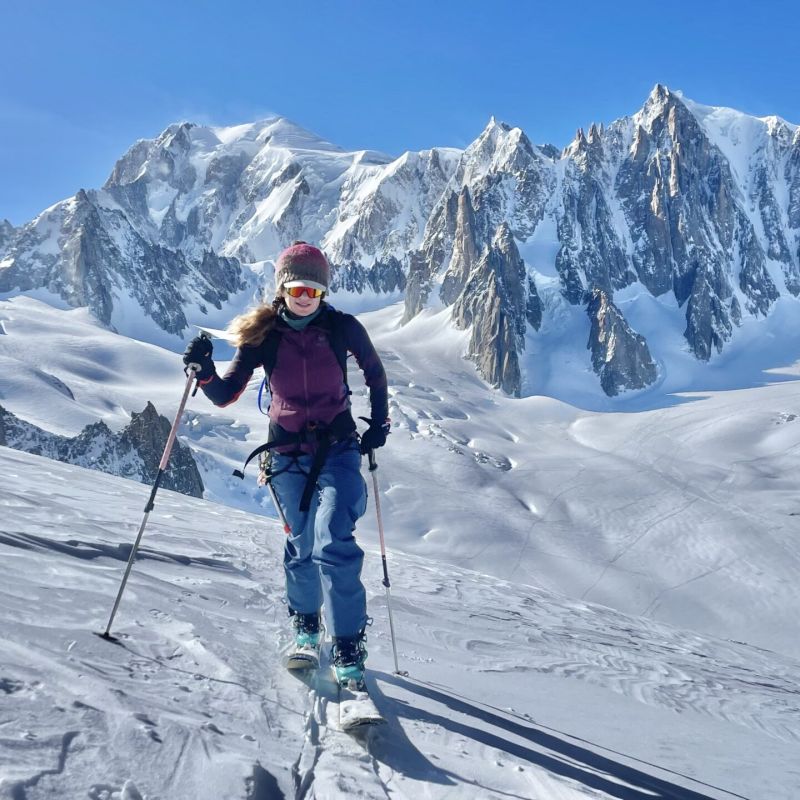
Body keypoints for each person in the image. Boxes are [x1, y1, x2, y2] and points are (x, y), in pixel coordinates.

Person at [182, 242, 389, 688]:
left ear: (324, 294)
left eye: (313, 292)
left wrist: (380, 424)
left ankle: (349, 644)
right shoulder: (265, 336)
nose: (304, 298)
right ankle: (307, 628)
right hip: (285, 452)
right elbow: (224, 394)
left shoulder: (342, 328)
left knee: (334, 535)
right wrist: (202, 371)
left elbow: (375, 372)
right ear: (282, 288)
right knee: (300, 544)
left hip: (337, 447)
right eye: (296, 288)